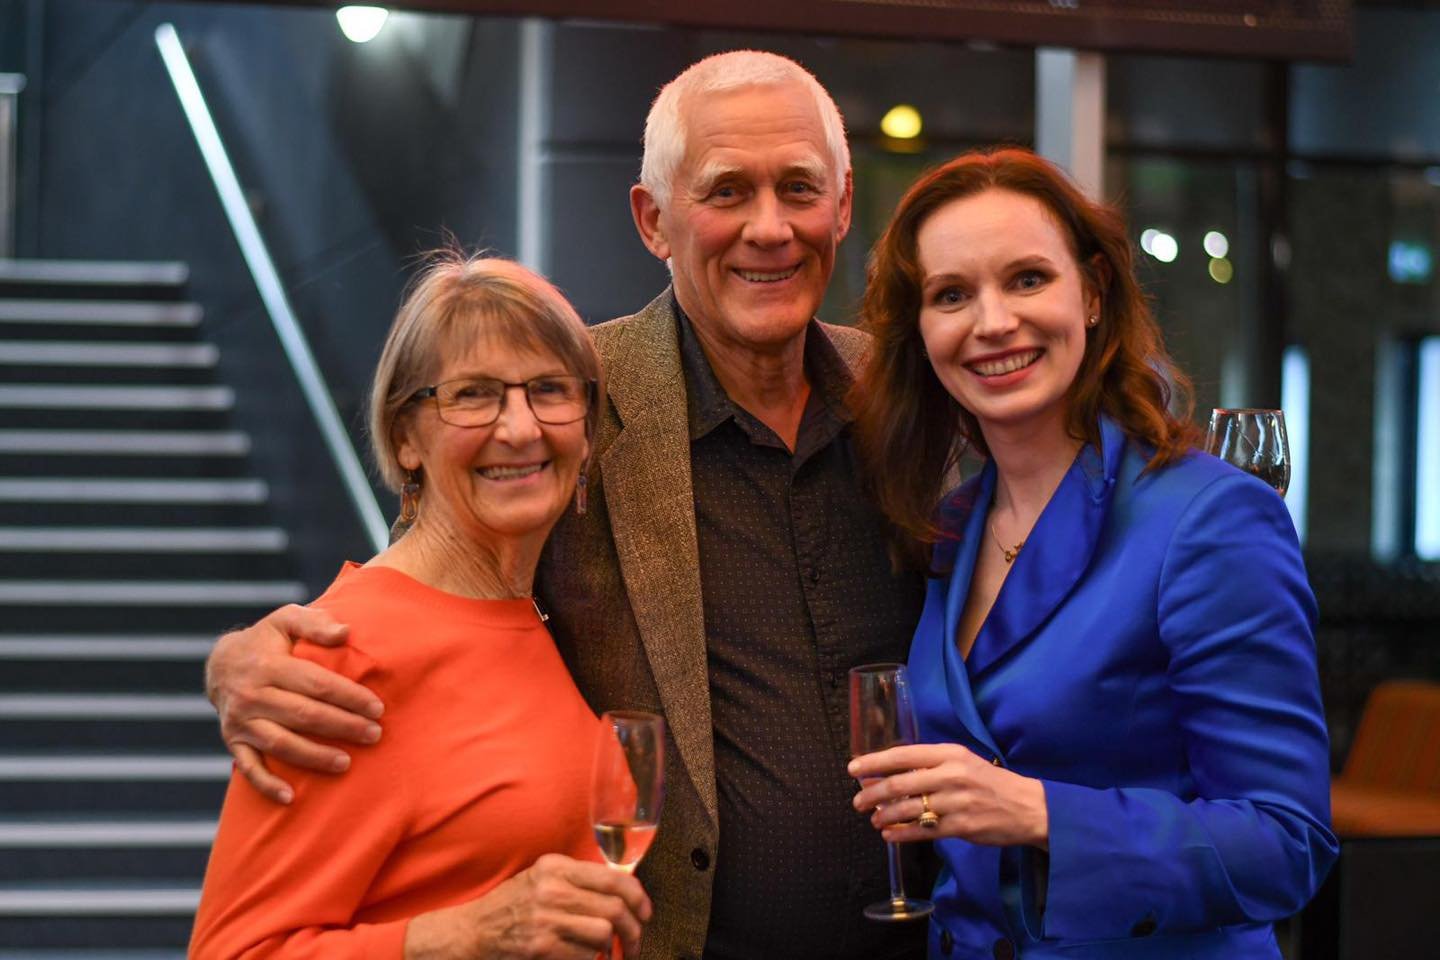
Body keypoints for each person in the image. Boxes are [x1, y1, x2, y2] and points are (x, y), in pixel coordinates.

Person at [202, 52, 927, 960]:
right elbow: (434, 564)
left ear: (845, 202)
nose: (769, 228)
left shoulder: (911, 399)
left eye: (798, 187)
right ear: (653, 219)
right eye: (727, 192)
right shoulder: (571, 396)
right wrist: (251, 656)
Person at [845, 148, 1337, 959]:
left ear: (1095, 293)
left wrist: (1039, 811)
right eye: (952, 295)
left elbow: (1286, 846)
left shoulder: (1209, 518)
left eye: (1028, 279)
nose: (993, 321)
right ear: (921, 332)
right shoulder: (950, 529)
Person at [189, 254, 652, 958]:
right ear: (406, 436)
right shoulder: (342, 657)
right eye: (473, 395)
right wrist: (463, 936)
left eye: (550, 390)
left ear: (586, 428)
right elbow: (232, 951)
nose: (521, 428)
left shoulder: (536, 610)